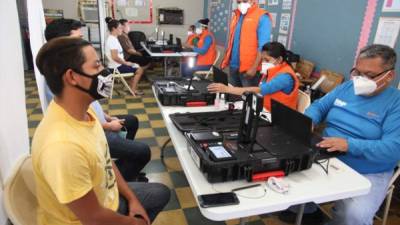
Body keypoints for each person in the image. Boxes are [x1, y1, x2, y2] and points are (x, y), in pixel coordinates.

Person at [33, 37, 170, 225]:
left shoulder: (84, 111)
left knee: (160, 193)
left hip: (106, 195)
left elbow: (104, 160)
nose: (104, 73)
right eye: (96, 66)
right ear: (72, 77)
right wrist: (134, 222)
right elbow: (93, 218)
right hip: (87, 219)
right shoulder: (62, 147)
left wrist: (132, 199)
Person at [282, 44, 400, 225]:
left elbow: (393, 149)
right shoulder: (346, 87)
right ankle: (308, 213)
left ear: (389, 76)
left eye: (369, 75)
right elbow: (319, 106)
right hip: (327, 153)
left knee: (354, 215)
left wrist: (349, 144)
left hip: (369, 169)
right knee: (288, 176)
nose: (360, 79)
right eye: (357, 72)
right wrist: (309, 121)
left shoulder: (395, 103)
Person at [44, 18, 151, 182]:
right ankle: (118, 182)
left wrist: (107, 116)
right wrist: (108, 125)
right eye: (78, 39)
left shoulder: (75, 69)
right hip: (93, 132)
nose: (82, 43)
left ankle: (127, 166)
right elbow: (76, 122)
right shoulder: (58, 79)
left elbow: (89, 105)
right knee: (143, 151)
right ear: (62, 43)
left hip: (100, 123)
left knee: (132, 121)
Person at [208, 42, 299, 111]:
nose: (263, 62)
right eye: (262, 59)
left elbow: (260, 90)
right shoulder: (272, 70)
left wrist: (227, 89)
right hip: (265, 110)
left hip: (277, 116)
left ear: (279, 59)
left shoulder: (285, 77)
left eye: (266, 60)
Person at [221, 0, 272, 87]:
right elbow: (232, 41)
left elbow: (263, 47)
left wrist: (254, 68)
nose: (241, 4)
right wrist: (226, 60)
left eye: (244, 1)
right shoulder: (236, 16)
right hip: (233, 66)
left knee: (247, 98)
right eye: (238, 2)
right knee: (233, 98)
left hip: (249, 70)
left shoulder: (262, 17)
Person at [105, 17, 144, 95]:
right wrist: (126, 63)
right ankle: (133, 90)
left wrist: (127, 62)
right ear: (114, 29)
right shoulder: (112, 40)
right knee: (140, 70)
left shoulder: (113, 38)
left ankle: (129, 87)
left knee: (136, 66)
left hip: (116, 65)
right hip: (116, 68)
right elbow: (115, 57)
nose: (121, 29)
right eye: (119, 28)